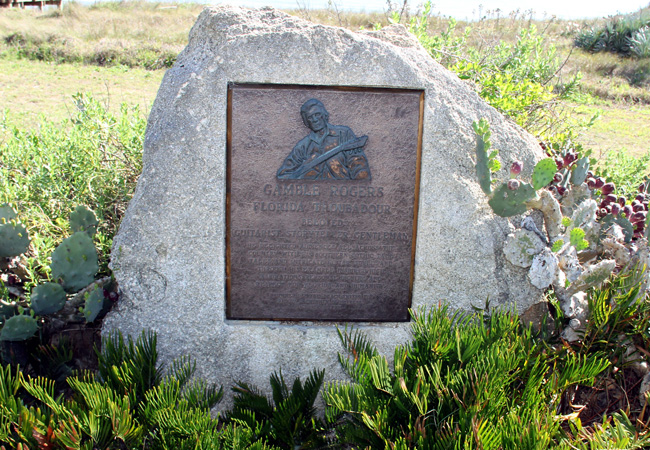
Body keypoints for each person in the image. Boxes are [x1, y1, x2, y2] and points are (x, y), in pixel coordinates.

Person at [277, 99, 371, 180]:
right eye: (310, 117)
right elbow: (282, 176)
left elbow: (358, 164)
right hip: (310, 197)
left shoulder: (344, 133)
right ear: (307, 122)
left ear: (325, 115)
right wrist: (304, 171)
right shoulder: (302, 146)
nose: (315, 119)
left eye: (317, 114)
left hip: (342, 195)